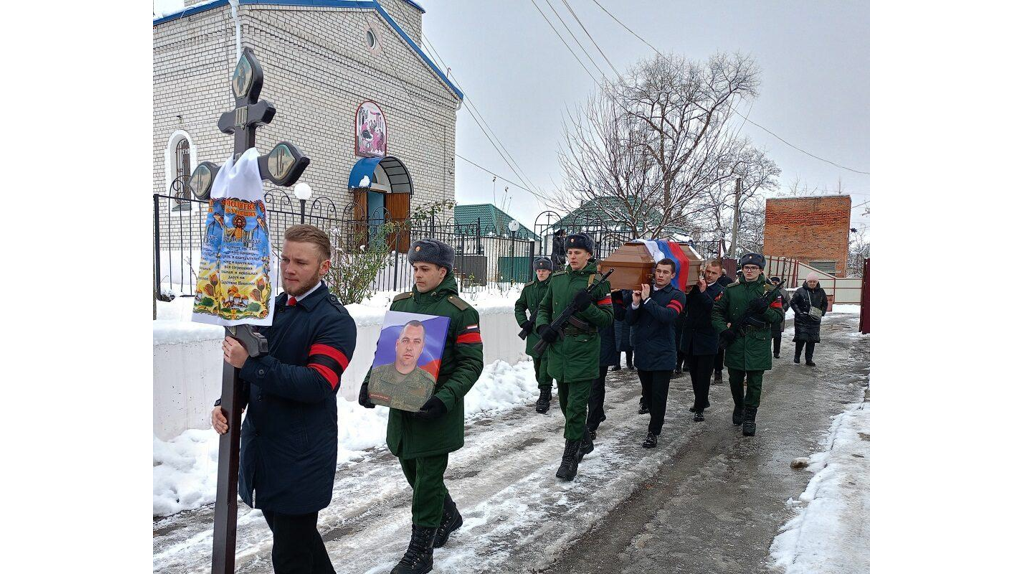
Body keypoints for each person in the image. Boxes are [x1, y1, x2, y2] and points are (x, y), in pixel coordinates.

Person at [212, 224, 357, 574]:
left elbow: (317, 383)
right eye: (286, 259)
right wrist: (226, 402)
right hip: (266, 452)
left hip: (301, 458)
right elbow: (247, 367)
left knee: (290, 558)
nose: (289, 268)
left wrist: (251, 366)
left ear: (324, 267)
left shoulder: (334, 321)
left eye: (301, 263)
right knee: (302, 546)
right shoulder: (272, 308)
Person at [357, 239, 484, 574]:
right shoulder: (402, 304)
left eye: (425, 269)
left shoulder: (461, 312)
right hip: (402, 407)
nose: (418, 274)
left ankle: (420, 551)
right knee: (412, 470)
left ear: (443, 271)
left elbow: (471, 365)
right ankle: (449, 515)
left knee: (427, 481)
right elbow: (387, 350)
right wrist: (371, 383)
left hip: (435, 412)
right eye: (415, 268)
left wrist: (444, 399)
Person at [536, 233, 613, 481]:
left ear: (588, 255)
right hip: (559, 350)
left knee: (577, 407)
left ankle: (569, 457)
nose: (572, 256)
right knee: (567, 405)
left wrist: (587, 307)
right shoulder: (557, 279)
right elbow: (544, 308)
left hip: (583, 350)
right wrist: (543, 327)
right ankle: (585, 441)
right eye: (570, 253)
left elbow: (607, 319)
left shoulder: (598, 282)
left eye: (578, 252)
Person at [711, 252, 784, 437]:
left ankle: (750, 417)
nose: (749, 271)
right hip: (736, 340)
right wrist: (723, 330)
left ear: (761, 270)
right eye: (746, 268)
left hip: (758, 342)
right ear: (741, 269)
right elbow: (717, 312)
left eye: (753, 268)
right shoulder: (731, 289)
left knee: (754, 383)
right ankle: (739, 405)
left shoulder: (769, 290)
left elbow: (778, 317)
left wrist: (764, 309)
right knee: (734, 380)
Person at [625, 259, 686, 448]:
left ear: (672, 275)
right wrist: (635, 304)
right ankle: (655, 420)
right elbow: (630, 320)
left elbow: (667, 316)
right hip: (643, 352)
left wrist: (647, 300)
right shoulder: (644, 291)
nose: (661, 275)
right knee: (648, 394)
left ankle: (653, 431)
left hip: (663, 353)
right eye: (658, 271)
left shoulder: (677, 295)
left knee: (659, 395)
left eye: (665, 272)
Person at [681, 259, 727, 422]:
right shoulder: (694, 288)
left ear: (720, 274)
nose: (709, 275)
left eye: (714, 273)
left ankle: (699, 407)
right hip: (691, 337)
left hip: (708, 338)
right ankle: (700, 400)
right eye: (708, 271)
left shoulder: (721, 291)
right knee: (693, 373)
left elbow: (715, 310)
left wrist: (703, 292)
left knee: (704, 375)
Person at [366, 321, 437, 412]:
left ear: (422, 347)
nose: (409, 347)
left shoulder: (428, 382)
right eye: (405, 340)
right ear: (397, 344)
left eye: (416, 342)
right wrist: (366, 384)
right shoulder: (376, 375)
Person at [587, 287, 628, 441]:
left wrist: (611, 295)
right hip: (584, 343)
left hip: (602, 342)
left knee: (596, 384)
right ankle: (597, 413)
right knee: (587, 386)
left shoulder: (613, 293)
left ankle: (591, 424)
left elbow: (620, 314)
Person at [514, 257, 554, 413]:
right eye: (538, 270)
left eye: (544, 270)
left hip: (548, 330)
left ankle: (544, 393)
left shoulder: (554, 286)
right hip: (533, 332)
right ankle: (545, 388)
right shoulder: (529, 288)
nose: (541, 273)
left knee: (545, 363)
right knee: (537, 364)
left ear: (549, 271)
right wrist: (524, 323)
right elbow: (519, 306)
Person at [791, 271, 828, 367]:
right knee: (801, 339)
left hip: (814, 320)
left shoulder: (821, 292)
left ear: (817, 282)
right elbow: (793, 303)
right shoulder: (800, 291)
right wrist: (799, 312)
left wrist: (822, 313)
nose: (812, 283)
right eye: (810, 281)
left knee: (812, 340)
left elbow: (825, 303)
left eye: (814, 282)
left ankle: (809, 359)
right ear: (806, 282)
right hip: (802, 320)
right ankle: (797, 356)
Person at [713, 268, 734, 385]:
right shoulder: (729, 283)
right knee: (719, 349)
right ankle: (717, 372)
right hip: (721, 321)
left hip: (720, 323)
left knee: (718, 348)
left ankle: (717, 372)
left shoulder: (724, 289)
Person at [768, 276, 792, 359]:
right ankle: (767, 351)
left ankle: (776, 352)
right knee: (768, 334)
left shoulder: (784, 292)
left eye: (776, 281)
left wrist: (783, 309)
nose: (775, 283)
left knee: (778, 335)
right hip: (769, 314)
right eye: (773, 281)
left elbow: (788, 302)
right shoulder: (768, 289)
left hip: (779, 314)